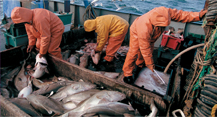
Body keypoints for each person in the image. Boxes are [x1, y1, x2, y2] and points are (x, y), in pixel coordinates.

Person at [122, 6, 207, 84]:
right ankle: (127, 73)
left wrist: (198, 15)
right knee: (134, 52)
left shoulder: (166, 12)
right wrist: (150, 63)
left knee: (149, 51)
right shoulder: (144, 27)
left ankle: (139, 65)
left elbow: (181, 15)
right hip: (137, 32)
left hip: (152, 35)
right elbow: (144, 47)